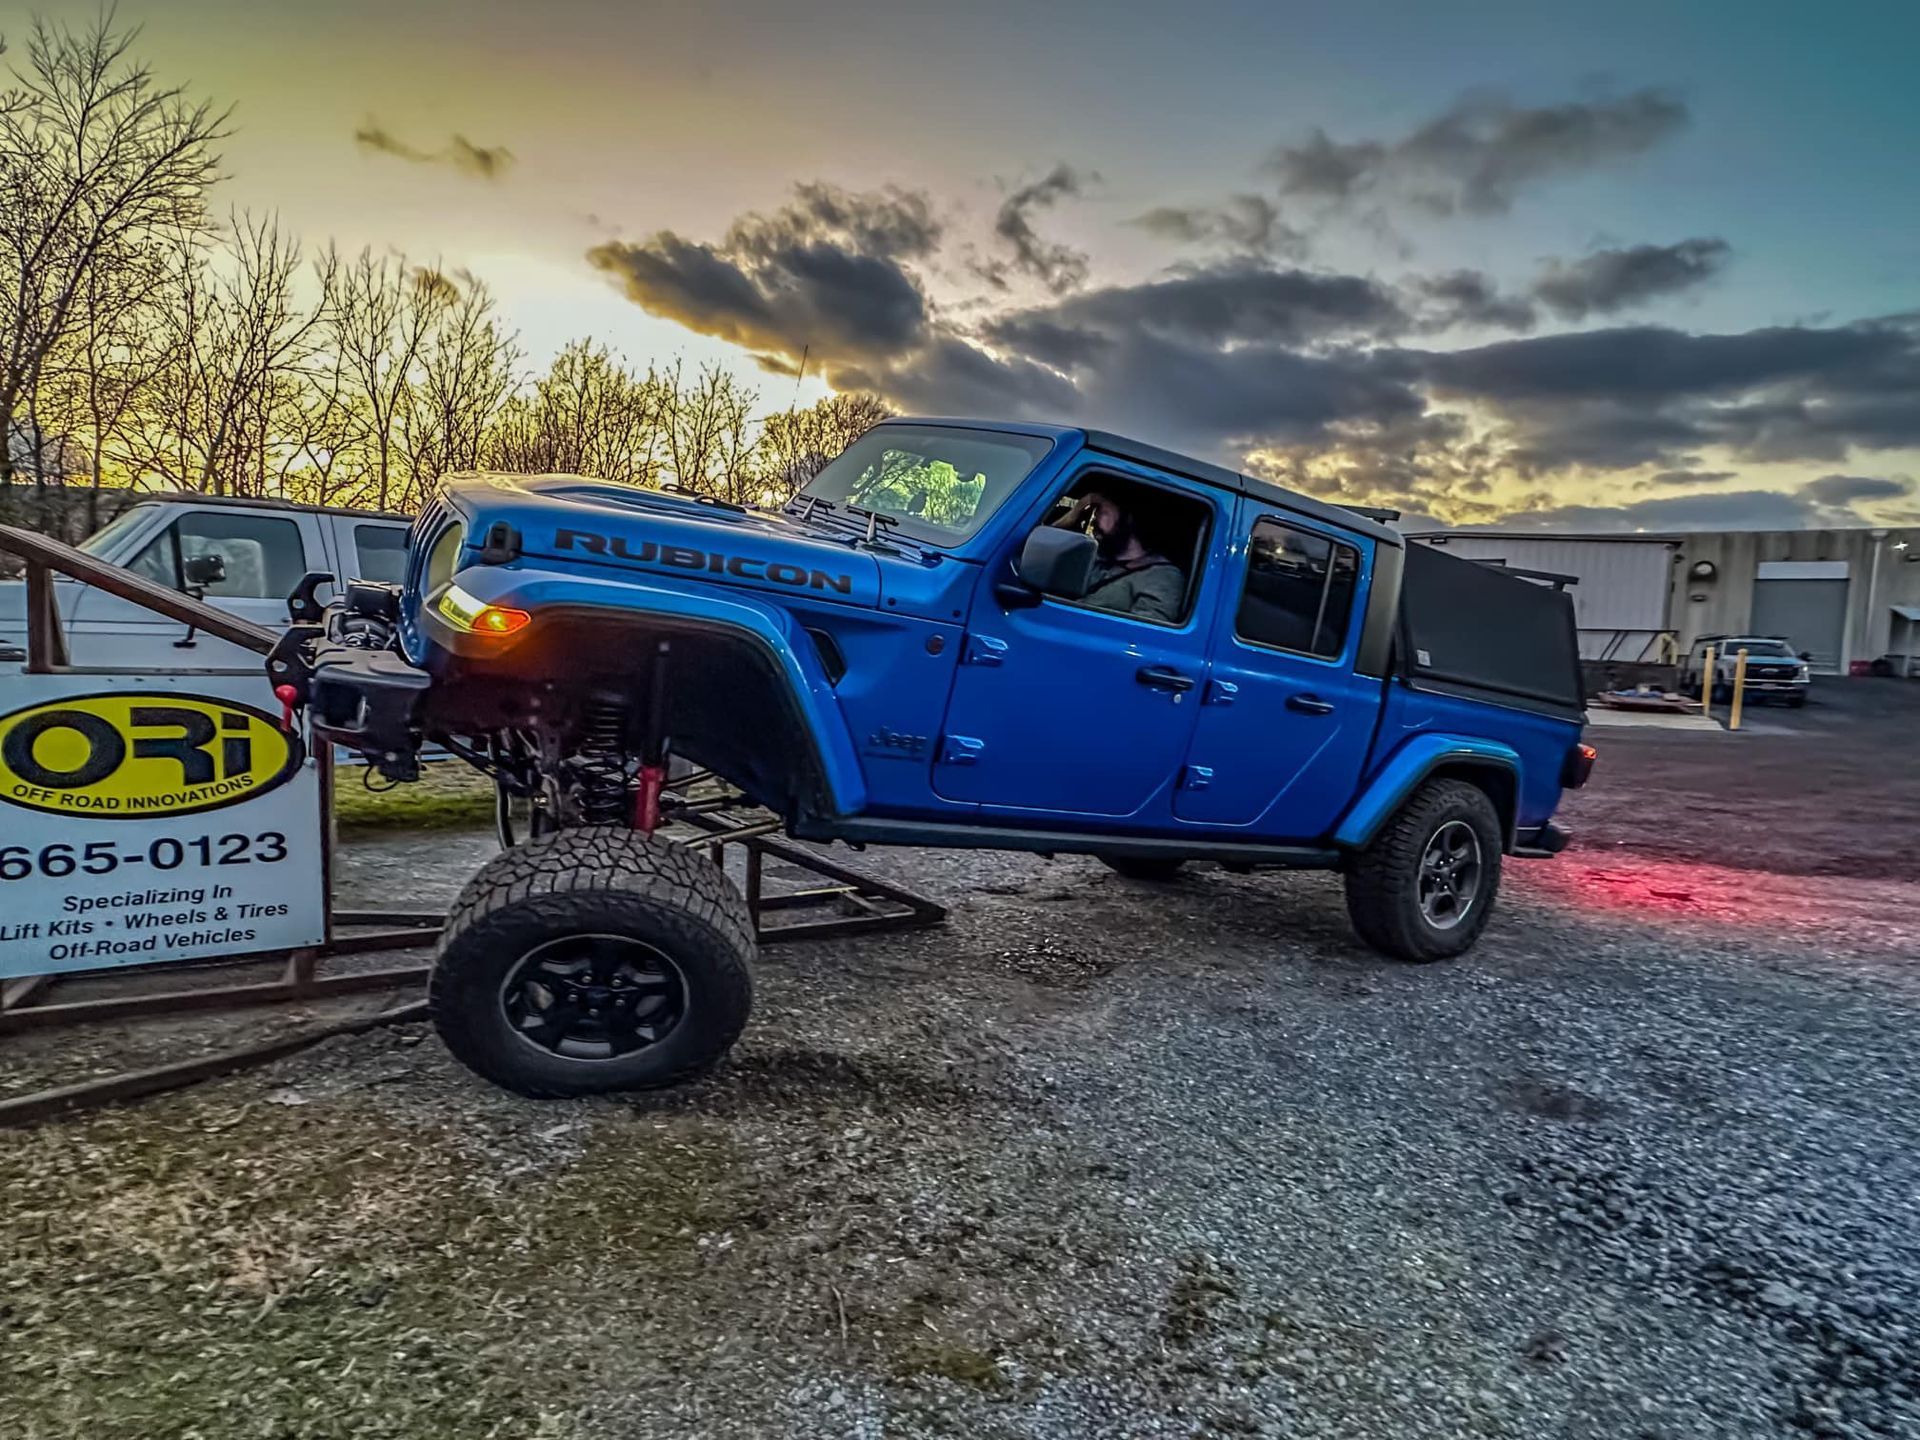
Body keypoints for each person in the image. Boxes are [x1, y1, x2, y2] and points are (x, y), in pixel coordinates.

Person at [1052, 488, 1184, 623]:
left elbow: (1141, 637)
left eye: (1102, 513)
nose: (1094, 521)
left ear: (1128, 518)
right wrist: (1073, 516)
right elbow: (1044, 555)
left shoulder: (1162, 577)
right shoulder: (1096, 559)